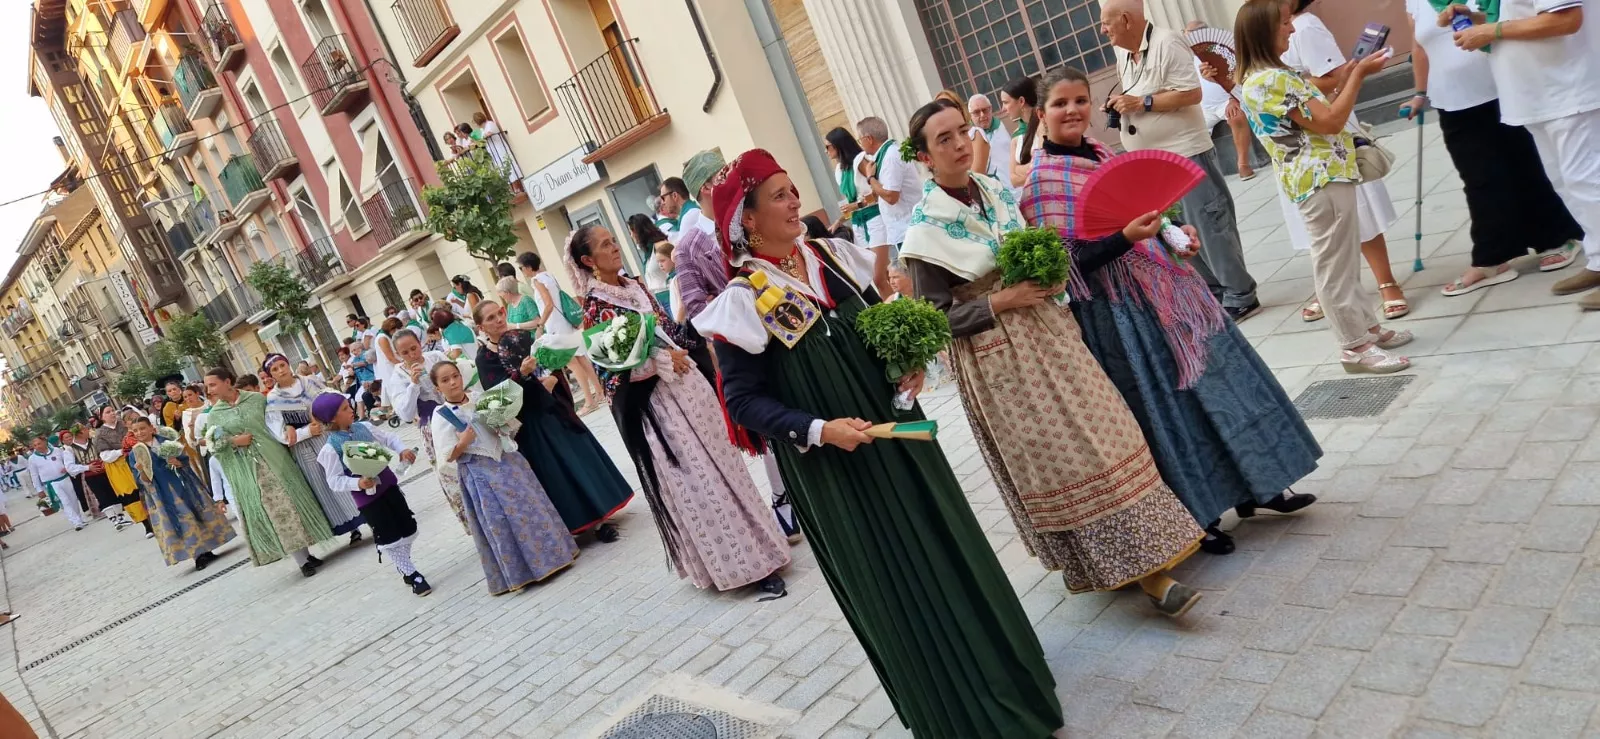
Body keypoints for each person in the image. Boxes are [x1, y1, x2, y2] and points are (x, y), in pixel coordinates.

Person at [694, 148, 1063, 737]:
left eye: (794, 190)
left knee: (947, 548)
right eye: (780, 196)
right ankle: (956, 717)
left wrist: (907, 365)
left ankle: (1009, 684)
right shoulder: (743, 299)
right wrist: (818, 430)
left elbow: (878, 335)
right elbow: (740, 402)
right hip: (838, 470)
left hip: (897, 438)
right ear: (749, 220)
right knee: (900, 585)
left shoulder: (832, 258)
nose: (795, 203)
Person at [901, 96, 1209, 608]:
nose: (959, 144)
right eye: (944, 139)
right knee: (1065, 461)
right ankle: (1140, 574)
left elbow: (1051, 252)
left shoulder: (996, 192)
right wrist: (1002, 299)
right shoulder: (925, 232)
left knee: (1109, 434)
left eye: (961, 132)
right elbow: (935, 320)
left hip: (1050, 333)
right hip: (999, 357)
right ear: (925, 158)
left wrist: (1121, 239)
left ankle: (1152, 550)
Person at [1019, 66, 1323, 552]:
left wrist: (1174, 231)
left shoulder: (1103, 154)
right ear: (1040, 115)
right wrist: (1124, 238)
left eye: (1079, 100)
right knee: (1169, 410)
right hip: (1118, 314)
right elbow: (1069, 267)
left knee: (1225, 381)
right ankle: (1199, 514)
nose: (1072, 110)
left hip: (1171, 287)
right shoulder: (1040, 183)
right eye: (1060, 104)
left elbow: (1147, 208)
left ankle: (1259, 484)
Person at [569, 225, 791, 597]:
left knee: (727, 469)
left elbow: (668, 328)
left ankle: (764, 546)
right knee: (700, 482)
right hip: (660, 409)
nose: (614, 248)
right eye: (604, 245)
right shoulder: (595, 308)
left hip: (690, 392)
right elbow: (611, 372)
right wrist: (659, 359)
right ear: (588, 261)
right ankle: (743, 567)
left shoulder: (634, 286)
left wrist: (702, 327)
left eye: (613, 240)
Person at [1237, 0, 1414, 372]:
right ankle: (1355, 347)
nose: (1291, 29)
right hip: (1319, 180)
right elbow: (1332, 121)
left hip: (1319, 178)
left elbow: (1319, 113)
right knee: (1335, 268)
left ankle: (1366, 329)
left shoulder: (1266, 76)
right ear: (1263, 32)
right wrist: (1360, 75)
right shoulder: (1274, 79)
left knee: (1343, 261)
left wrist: (1351, 72)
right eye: (1284, 23)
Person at [1403, 0, 1583, 295]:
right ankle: (1494, 256)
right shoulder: (1415, 2)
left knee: (1527, 167)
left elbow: (1512, 21)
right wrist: (1419, 94)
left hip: (1500, 88)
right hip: (1452, 100)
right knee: (1479, 179)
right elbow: (1419, 48)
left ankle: (1558, 236)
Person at [1102, 0, 1260, 321]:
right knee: (1177, 229)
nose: (1103, 30)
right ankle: (1215, 290)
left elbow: (1191, 93)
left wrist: (1142, 102)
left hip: (1185, 154)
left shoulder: (1166, 41)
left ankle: (1241, 293)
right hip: (1149, 160)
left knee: (1210, 223)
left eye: (1107, 23)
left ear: (1126, 20)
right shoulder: (1122, 53)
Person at [1440, 0, 1600, 308]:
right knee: (1567, 184)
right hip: (1538, 95)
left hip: (1569, 89)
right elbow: (1522, 15)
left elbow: (1565, 20)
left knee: (1588, 182)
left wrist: (1492, 30)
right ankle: (1597, 260)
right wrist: (1476, 20)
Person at [474, 299, 634, 541]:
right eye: (490, 318)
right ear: (481, 327)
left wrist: (553, 377)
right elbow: (497, 400)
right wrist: (524, 375)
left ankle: (601, 516)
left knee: (579, 460)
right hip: (531, 423)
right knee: (558, 472)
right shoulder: (485, 359)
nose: (498, 319)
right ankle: (577, 524)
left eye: (500, 313)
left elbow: (550, 365)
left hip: (554, 409)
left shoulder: (521, 337)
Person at [429, 361, 580, 595]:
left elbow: (507, 425)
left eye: (455, 376)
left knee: (530, 507)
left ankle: (555, 555)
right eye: (445, 380)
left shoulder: (478, 397)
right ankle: (522, 572)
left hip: (506, 459)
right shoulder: (442, 416)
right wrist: (463, 443)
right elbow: (447, 456)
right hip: (479, 470)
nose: (453, 383)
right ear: (438, 388)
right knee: (501, 519)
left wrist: (501, 423)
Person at [204, 367, 337, 577]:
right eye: (207, 385)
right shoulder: (214, 416)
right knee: (277, 511)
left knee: (293, 504)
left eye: (212, 384)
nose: (209, 389)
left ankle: (306, 553)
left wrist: (291, 427)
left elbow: (278, 420)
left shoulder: (257, 400)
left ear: (228, 382)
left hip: (277, 459)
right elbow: (214, 446)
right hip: (251, 470)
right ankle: (301, 561)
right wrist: (234, 442)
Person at [312, 395, 432, 596]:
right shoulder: (330, 449)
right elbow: (334, 480)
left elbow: (389, 438)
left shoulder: (364, 427)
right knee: (388, 535)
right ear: (332, 418)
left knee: (408, 527)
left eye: (347, 405)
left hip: (388, 486)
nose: (350, 409)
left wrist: (401, 450)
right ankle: (412, 574)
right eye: (343, 408)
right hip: (369, 499)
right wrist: (357, 483)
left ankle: (403, 564)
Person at [264, 353, 365, 544]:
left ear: (288, 364)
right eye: (275, 369)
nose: (280, 370)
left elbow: (334, 399)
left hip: (329, 436)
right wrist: (305, 432)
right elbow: (279, 432)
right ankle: (351, 526)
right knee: (325, 483)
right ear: (271, 375)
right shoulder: (274, 399)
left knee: (350, 470)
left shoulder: (310, 382)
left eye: (282, 365)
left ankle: (369, 513)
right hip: (305, 447)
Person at [126, 417, 234, 570]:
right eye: (135, 430)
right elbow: (143, 480)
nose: (139, 432)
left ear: (151, 428)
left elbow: (185, 460)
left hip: (183, 484)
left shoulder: (166, 441)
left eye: (142, 428)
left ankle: (207, 547)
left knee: (196, 512)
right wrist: (141, 469)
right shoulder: (135, 454)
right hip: (163, 492)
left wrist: (178, 462)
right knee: (183, 520)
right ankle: (197, 554)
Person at [388, 329, 467, 532]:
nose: (412, 354)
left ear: (420, 343)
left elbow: (461, 377)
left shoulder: (436, 357)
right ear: (398, 355)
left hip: (460, 413)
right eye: (405, 352)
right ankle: (471, 522)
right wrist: (413, 385)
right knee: (452, 473)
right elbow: (405, 414)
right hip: (433, 426)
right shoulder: (397, 377)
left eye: (414, 348)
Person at [516, 251, 604, 412]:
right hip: (564, 322)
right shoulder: (548, 275)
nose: (522, 272)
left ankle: (590, 401)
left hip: (555, 325)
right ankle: (599, 392)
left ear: (528, 267)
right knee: (581, 358)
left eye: (521, 268)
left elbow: (548, 304)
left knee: (571, 362)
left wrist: (540, 324)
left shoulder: (537, 280)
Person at [1187, 21, 1258, 180]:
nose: (1187, 37)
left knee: (1237, 116)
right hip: (1202, 107)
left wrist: (1234, 99)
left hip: (1226, 102)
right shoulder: (1187, 59)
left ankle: (1243, 164)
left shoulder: (1219, 52)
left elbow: (1237, 79)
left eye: (1189, 33)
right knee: (1187, 131)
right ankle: (1200, 175)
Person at [825, 127, 893, 287]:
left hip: (875, 218)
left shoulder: (860, 161)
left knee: (879, 276)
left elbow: (878, 190)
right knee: (878, 277)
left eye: (828, 146)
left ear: (838, 145)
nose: (826, 151)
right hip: (858, 223)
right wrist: (839, 221)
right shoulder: (839, 170)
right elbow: (851, 203)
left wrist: (858, 205)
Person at [856, 116, 924, 263]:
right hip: (902, 228)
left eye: (860, 139)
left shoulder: (891, 156)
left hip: (908, 228)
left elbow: (891, 197)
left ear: (868, 139)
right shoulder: (885, 155)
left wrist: (870, 178)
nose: (860, 144)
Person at [95, 407, 152, 536]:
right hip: (118, 466)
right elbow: (105, 456)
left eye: (112, 410)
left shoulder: (125, 424)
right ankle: (147, 525)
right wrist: (122, 451)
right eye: (107, 412)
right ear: (102, 417)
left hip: (136, 458)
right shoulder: (100, 434)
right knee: (131, 494)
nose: (112, 413)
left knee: (147, 487)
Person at [25, 435, 87, 531]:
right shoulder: (32, 459)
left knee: (73, 499)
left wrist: (67, 468)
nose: (37, 446)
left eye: (39, 443)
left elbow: (68, 462)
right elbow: (34, 475)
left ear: (45, 442)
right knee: (65, 502)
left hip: (65, 479)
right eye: (35, 445)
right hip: (52, 484)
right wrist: (39, 489)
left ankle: (79, 518)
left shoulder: (57, 450)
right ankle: (76, 522)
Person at [999, 76, 1042, 190]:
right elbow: (1013, 180)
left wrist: (1019, 169)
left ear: (1021, 101)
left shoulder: (1044, 125)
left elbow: (1046, 167)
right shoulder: (1016, 136)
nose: (1003, 109)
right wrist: (1035, 168)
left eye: (1006, 102)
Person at [627, 213, 674, 306]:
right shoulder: (648, 251)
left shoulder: (660, 245)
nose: (631, 236)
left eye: (632, 232)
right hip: (660, 298)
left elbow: (676, 267)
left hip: (670, 294)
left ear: (639, 231)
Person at [968, 93, 1015, 183]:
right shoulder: (968, 136)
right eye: (977, 112)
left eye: (985, 110)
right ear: (970, 115)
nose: (982, 115)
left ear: (991, 109)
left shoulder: (1001, 127)